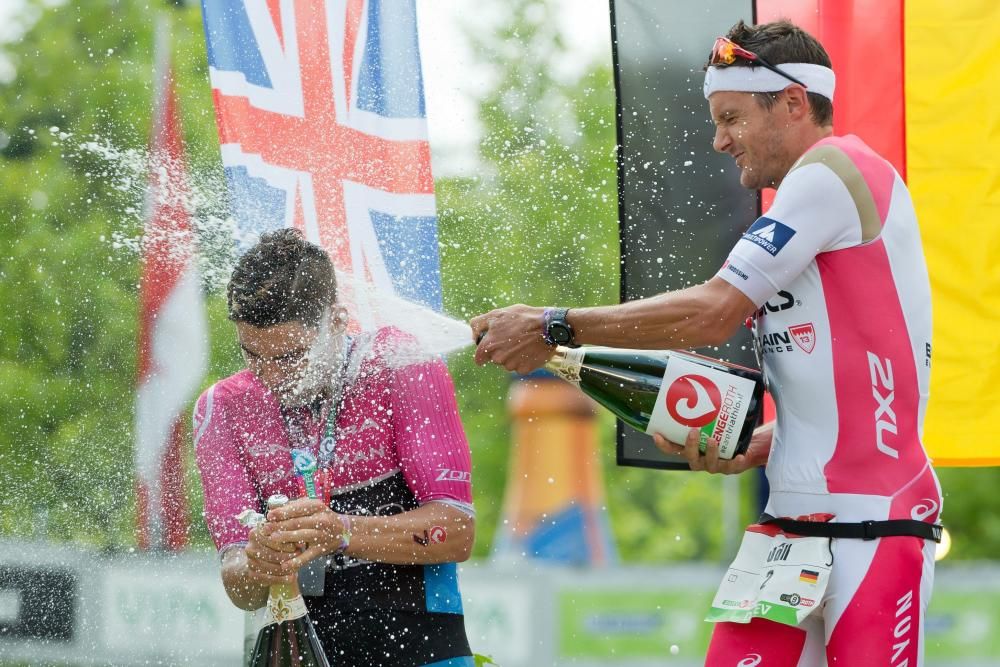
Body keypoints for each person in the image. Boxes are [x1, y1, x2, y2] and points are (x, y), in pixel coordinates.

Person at [471, 19, 941, 667]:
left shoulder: (836, 169)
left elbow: (715, 311)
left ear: (794, 104)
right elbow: (850, 390)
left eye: (731, 118)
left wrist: (554, 323)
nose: (719, 141)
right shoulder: (800, 205)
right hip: (789, 531)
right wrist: (754, 446)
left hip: (875, 522)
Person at [194, 229, 477, 667]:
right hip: (292, 651)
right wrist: (257, 563)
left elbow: (457, 532)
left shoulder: (400, 363)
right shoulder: (222, 407)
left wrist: (341, 531)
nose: (270, 376)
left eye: (290, 357)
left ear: (338, 322)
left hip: (421, 646)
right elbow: (239, 588)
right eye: (251, 355)